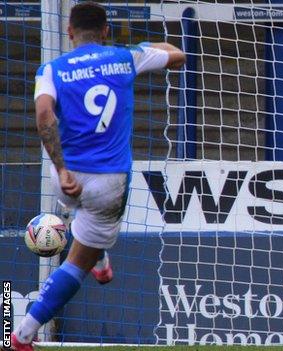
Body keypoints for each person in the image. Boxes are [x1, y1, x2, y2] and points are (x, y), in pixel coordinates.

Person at [10, 2, 185, 350]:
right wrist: (143, 49)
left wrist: (61, 169)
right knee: (78, 262)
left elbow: (44, 114)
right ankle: (22, 336)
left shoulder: (51, 69)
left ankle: (99, 256)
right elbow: (177, 54)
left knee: (82, 211)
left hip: (65, 178)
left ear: (69, 32)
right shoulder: (124, 58)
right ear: (105, 31)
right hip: (108, 182)